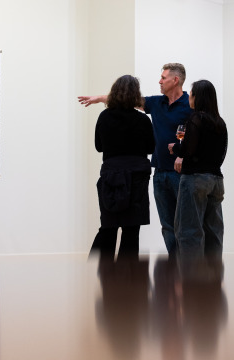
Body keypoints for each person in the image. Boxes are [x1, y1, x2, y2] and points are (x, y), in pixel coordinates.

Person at [79, 63, 193, 256]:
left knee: (110, 227)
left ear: (175, 80)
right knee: (150, 228)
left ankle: (185, 269)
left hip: (172, 173)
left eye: (163, 77)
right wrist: (99, 98)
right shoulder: (151, 110)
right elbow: (149, 144)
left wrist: (182, 153)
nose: (159, 80)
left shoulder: (190, 105)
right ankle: (151, 274)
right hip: (150, 175)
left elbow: (99, 145)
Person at [89, 75, 155, 259]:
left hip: (112, 177)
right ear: (136, 94)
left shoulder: (105, 116)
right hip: (137, 178)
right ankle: (129, 283)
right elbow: (151, 148)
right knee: (131, 231)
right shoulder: (143, 120)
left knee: (108, 227)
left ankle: (100, 277)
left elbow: (98, 146)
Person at [168, 79, 227, 264]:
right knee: (213, 232)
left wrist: (175, 148)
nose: (189, 98)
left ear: (198, 97)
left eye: (191, 94)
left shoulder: (196, 118)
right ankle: (213, 280)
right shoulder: (220, 122)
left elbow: (187, 150)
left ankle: (192, 283)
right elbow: (222, 153)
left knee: (188, 231)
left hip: (195, 180)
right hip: (216, 181)